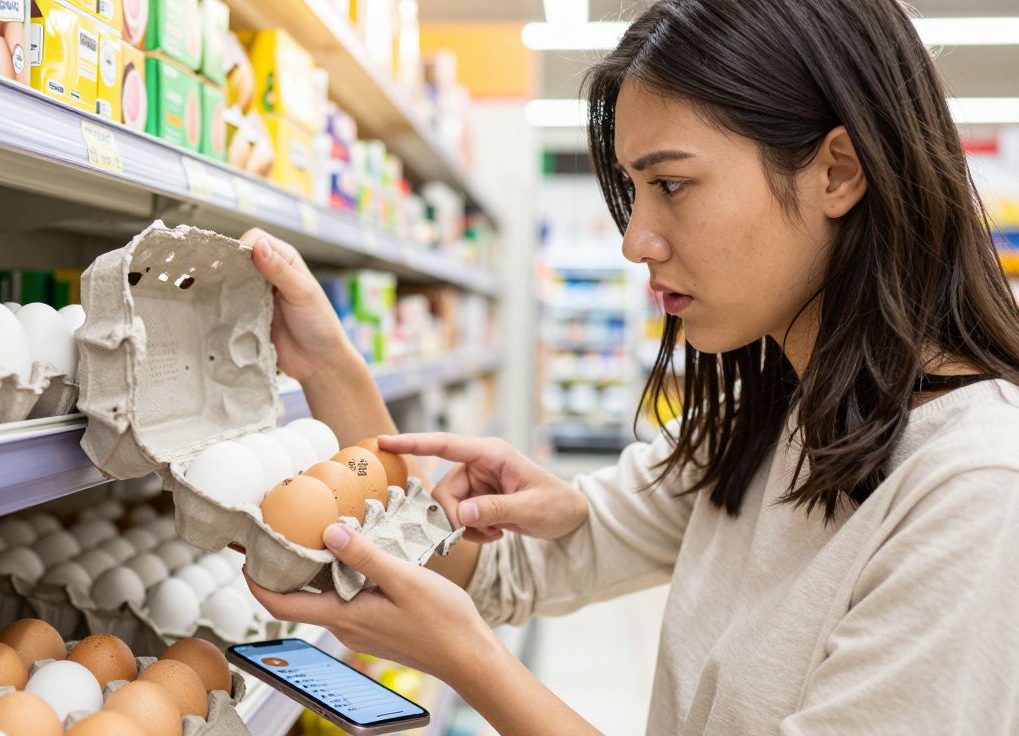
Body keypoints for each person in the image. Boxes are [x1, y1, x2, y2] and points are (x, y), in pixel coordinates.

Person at [240, 0, 1019, 732]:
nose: (635, 239)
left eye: (672, 185)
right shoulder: (772, 421)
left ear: (838, 172)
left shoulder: (974, 496)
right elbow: (498, 569)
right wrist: (328, 363)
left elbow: (482, 603)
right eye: (635, 190)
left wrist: (470, 662)